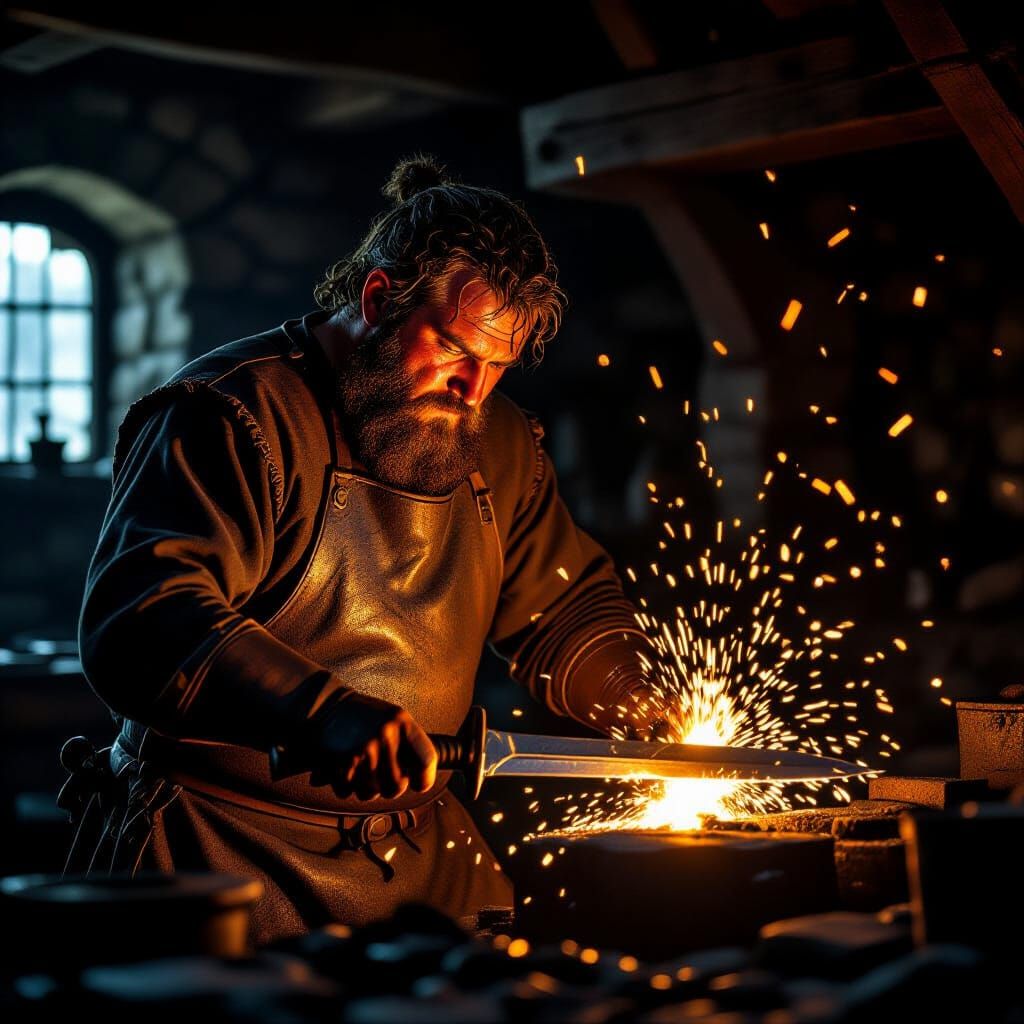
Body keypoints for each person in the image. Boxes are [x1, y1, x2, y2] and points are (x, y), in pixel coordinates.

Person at [74, 154, 665, 945]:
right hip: (214, 855)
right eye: (453, 349)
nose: (473, 390)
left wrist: (633, 693)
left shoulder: (499, 445)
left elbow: (563, 608)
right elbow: (147, 620)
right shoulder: (230, 416)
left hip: (419, 869)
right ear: (379, 298)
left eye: (496, 365)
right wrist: (321, 712)